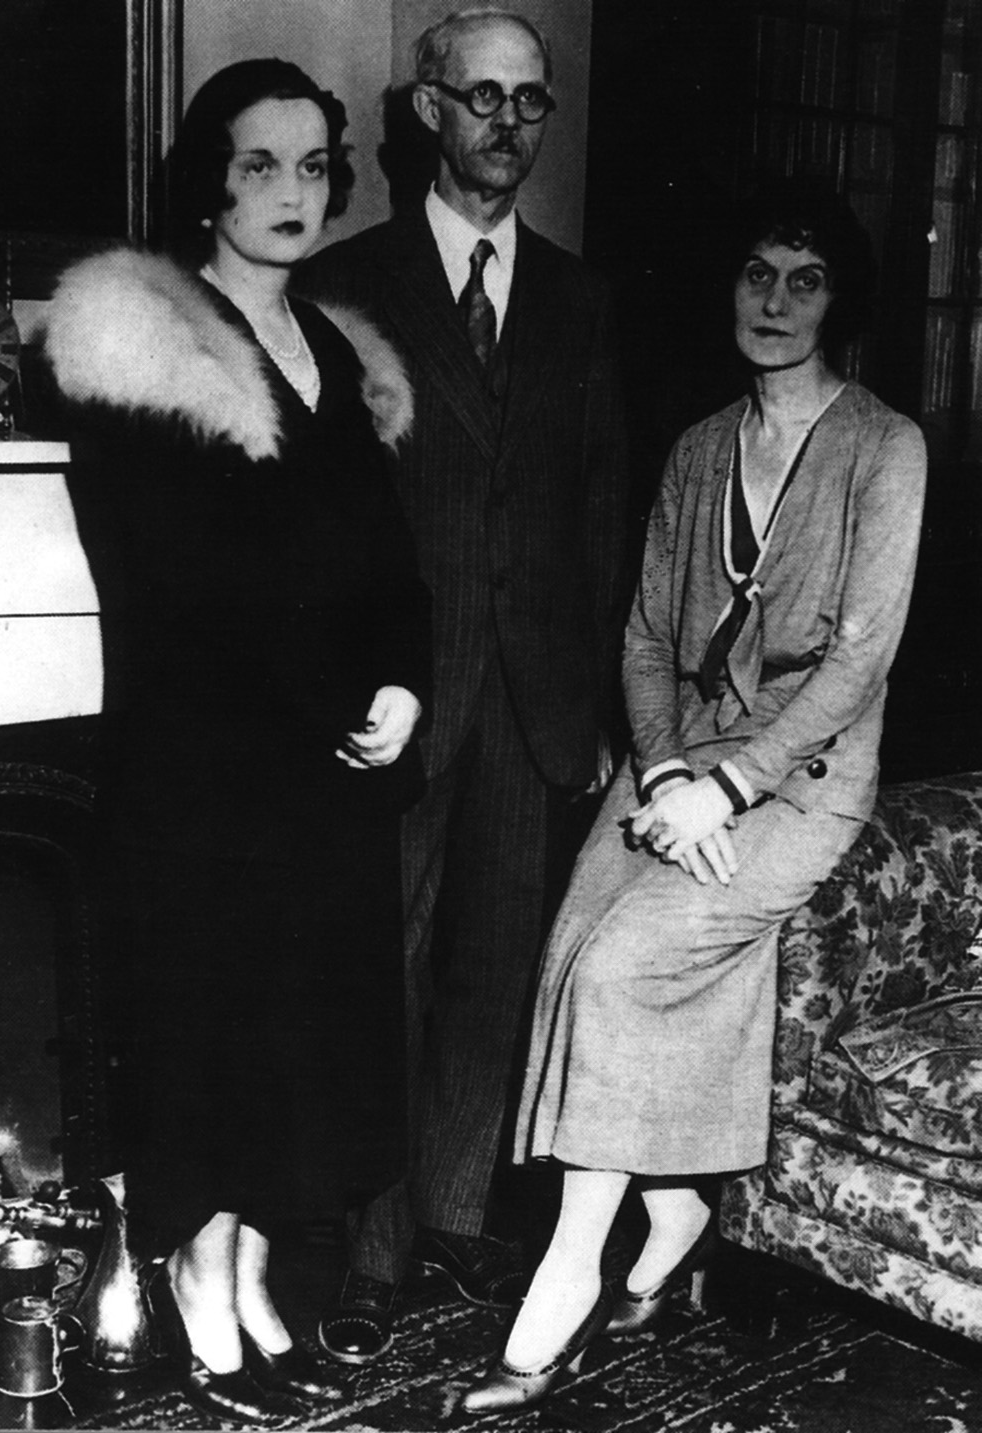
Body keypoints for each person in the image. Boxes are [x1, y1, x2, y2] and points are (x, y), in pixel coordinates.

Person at [458, 176, 928, 1415]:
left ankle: (566, 1281)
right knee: (572, 947)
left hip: (801, 781)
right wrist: (665, 770)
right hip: (676, 766)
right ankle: (675, 1215)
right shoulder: (699, 446)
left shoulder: (885, 448)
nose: (774, 301)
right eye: (756, 274)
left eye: (805, 280)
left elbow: (858, 661)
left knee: (623, 968)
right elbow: (643, 639)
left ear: (839, 303)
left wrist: (725, 788)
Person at [40, 59, 430, 1426]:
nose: (291, 192)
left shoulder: (341, 350)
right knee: (214, 1034)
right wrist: (323, 700)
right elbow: (171, 582)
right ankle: (202, 1289)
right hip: (205, 771)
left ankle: (256, 1281)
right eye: (259, 163)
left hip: (324, 771)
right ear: (209, 178)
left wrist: (402, 685)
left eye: (314, 165)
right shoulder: (136, 334)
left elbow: (389, 567)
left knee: (298, 1041)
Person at [296, 8, 629, 1363]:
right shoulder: (345, 282)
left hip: (537, 696)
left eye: (528, 99)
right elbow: (321, 514)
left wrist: (595, 703)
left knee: (496, 972)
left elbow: (600, 507)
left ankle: (448, 1214)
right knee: (384, 961)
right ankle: (374, 1251)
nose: (507, 122)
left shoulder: (581, 297)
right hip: (400, 694)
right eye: (480, 96)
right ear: (427, 109)